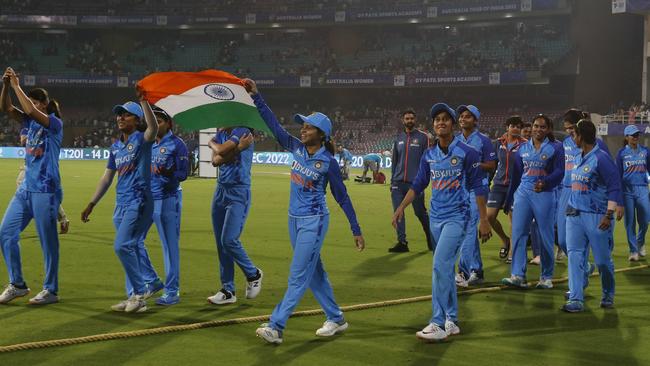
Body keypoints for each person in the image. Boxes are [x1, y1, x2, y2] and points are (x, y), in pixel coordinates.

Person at [245, 79, 365, 345]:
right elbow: (274, 126)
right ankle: (336, 318)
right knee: (314, 273)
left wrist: (356, 229)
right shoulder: (297, 147)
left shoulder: (329, 163)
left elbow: (342, 197)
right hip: (293, 220)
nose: (303, 129)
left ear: (321, 134)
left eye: (309, 127)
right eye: (303, 125)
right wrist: (256, 96)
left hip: (314, 221)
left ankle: (276, 326)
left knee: (298, 274)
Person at [393, 103, 491, 342]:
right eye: (437, 119)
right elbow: (418, 185)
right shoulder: (429, 155)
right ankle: (452, 319)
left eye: (446, 119)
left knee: (439, 265)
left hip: (458, 217)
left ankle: (437, 322)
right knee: (446, 269)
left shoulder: (468, 152)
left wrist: (484, 219)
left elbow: (479, 186)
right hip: (436, 218)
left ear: (453, 124)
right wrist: (401, 208)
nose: (441, 122)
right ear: (433, 125)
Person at [81, 93, 159, 313]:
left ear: (137, 120)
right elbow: (107, 178)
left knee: (122, 245)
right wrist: (92, 203)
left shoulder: (142, 139)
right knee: (130, 248)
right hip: (121, 204)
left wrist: (144, 101)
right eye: (119, 115)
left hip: (139, 200)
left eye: (126, 115)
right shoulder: (115, 147)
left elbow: (153, 127)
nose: (121, 118)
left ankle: (140, 294)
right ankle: (132, 296)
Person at [0, 67, 63, 305]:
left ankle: (51, 290)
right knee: (5, 233)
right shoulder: (28, 121)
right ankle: (17, 284)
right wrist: (6, 85)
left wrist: (17, 85)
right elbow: (6, 108)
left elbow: (26, 108)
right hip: (26, 188)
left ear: (45, 104)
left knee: (48, 242)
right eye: (32, 102)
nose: (33, 106)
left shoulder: (54, 123)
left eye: (37, 102)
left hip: (45, 189)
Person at [562, 119, 623, 312]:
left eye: (575, 135)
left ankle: (608, 294)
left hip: (597, 216)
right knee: (574, 255)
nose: (573, 138)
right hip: (574, 214)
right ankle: (576, 298)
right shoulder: (578, 156)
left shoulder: (601, 158)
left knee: (603, 261)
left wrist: (609, 214)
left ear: (581, 136)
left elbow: (614, 186)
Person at [502, 114, 564, 289]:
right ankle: (517, 275)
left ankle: (546, 277)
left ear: (548, 129)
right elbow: (516, 176)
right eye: (536, 126)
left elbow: (560, 172)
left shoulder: (556, 148)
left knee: (546, 235)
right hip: (523, 193)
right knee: (519, 233)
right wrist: (508, 200)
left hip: (544, 194)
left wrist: (546, 182)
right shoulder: (522, 148)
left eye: (542, 127)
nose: (538, 129)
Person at [206, 126, 262, 306]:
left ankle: (253, 273)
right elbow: (215, 162)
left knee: (229, 240)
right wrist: (236, 149)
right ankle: (228, 290)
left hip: (238, 192)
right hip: (220, 190)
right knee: (220, 244)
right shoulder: (222, 132)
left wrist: (212, 143)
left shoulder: (242, 130)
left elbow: (220, 152)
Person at [147, 107, 189, 305]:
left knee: (169, 247)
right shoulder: (148, 143)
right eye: (153, 121)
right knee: (130, 242)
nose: (155, 125)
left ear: (168, 123)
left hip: (167, 200)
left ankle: (172, 291)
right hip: (146, 200)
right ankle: (151, 280)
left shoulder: (177, 144)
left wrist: (168, 173)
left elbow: (183, 174)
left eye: (160, 121)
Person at [455, 105, 496, 286]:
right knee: (468, 230)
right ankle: (477, 271)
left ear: (475, 120)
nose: (463, 119)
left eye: (468, 117)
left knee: (468, 228)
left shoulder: (483, 140)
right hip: (460, 189)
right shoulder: (455, 140)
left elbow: (491, 164)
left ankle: (462, 273)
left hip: (478, 188)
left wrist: (473, 166)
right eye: (462, 116)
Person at [389, 108, 434, 253]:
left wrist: (424, 180)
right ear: (403, 120)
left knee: (420, 213)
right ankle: (402, 242)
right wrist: (392, 181)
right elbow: (395, 161)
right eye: (406, 118)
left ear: (415, 120)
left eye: (411, 118)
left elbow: (427, 159)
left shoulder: (423, 137)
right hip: (398, 182)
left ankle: (431, 239)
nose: (409, 121)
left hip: (415, 184)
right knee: (398, 212)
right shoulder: (398, 138)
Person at [15, 125, 70, 235]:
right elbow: (22, 141)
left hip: (39, 166)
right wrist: (33, 135)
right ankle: (62, 219)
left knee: (30, 190)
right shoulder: (28, 127)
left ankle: (34, 216)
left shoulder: (46, 126)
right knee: (35, 192)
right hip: (29, 165)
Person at [487, 116, 526, 262]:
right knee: (489, 217)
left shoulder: (525, 145)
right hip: (498, 185)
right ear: (507, 127)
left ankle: (511, 253)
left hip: (516, 186)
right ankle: (505, 240)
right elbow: (492, 164)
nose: (515, 128)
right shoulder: (498, 143)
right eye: (512, 125)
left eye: (518, 126)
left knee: (514, 220)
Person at [616, 125, 650, 261]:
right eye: (632, 135)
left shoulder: (646, 151)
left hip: (642, 189)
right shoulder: (621, 153)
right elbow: (618, 176)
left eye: (637, 135)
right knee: (629, 222)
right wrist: (619, 198)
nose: (635, 137)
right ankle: (633, 250)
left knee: (645, 220)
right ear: (626, 137)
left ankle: (640, 242)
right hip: (627, 191)